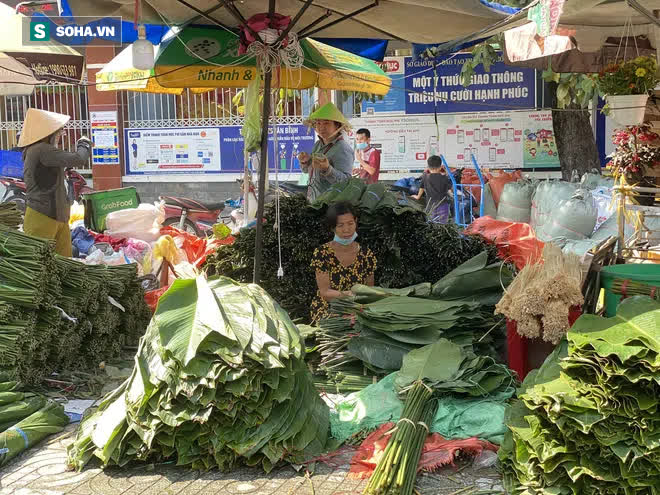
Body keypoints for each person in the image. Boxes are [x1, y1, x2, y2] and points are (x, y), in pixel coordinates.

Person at [19, 108, 92, 257]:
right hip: (43, 216)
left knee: (64, 264)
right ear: (47, 134)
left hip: (57, 216)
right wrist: (84, 144)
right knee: (42, 264)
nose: (60, 135)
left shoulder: (42, 150)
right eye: (59, 132)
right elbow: (79, 158)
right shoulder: (41, 150)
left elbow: (66, 158)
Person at [310, 201, 377, 324]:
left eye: (350, 223)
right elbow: (325, 293)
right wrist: (351, 295)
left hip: (356, 308)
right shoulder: (322, 253)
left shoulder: (366, 254)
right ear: (332, 227)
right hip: (329, 307)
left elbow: (369, 290)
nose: (346, 230)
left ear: (356, 222)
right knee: (341, 327)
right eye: (340, 225)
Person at [298, 103, 353, 202]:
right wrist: (305, 161)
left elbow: (346, 182)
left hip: (330, 206)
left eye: (326, 123)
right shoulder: (318, 145)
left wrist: (327, 169)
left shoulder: (342, 149)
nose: (321, 127)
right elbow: (307, 171)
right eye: (318, 123)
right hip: (314, 202)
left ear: (337, 125)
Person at [413, 155, 451, 223]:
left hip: (430, 206)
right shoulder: (444, 178)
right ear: (440, 167)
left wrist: (418, 196)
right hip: (442, 205)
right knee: (442, 226)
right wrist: (445, 174)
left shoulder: (425, 176)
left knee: (431, 225)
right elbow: (449, 189)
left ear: (428, 166)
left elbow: (421, 187)